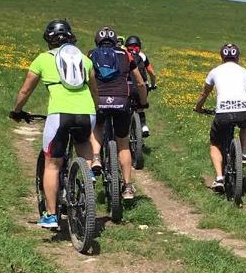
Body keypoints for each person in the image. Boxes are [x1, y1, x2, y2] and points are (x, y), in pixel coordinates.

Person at [10, 19, 99, 229]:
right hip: (87, 113)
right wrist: (96, 108)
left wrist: (17, 111)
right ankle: (87, 178)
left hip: (60, 115)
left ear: (49, 41)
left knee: (52, 164)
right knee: (83, 145)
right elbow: (95, 90)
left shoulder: (42, 59)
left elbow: (25, 90)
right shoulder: (84, 60)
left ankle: (51, 215)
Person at [88, 26, 148, 200]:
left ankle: (97, 157)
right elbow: (140, 83)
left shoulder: (91, 55)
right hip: (122, 101)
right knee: (123, 143)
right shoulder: (125, 55)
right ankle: (128, 187)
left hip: (99, 100)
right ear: (115, 41)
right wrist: (143, 102)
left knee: (97, 126)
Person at [193, 43, 246, 191]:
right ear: (237, 57)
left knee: (215, 143)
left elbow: (204, 93)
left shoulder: (214, 71)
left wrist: (198, 107)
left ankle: (219, 178)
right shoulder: (245, 72)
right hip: (243, 111)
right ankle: (243, 153)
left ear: (222, 56)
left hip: (223, 114)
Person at [125, 34, 157, 137]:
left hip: (126, 87)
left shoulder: (123, 54)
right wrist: (153, 84)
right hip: (142, 87)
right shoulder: (142, 56)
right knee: (140, 107)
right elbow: (152, 72)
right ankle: (143, 126)